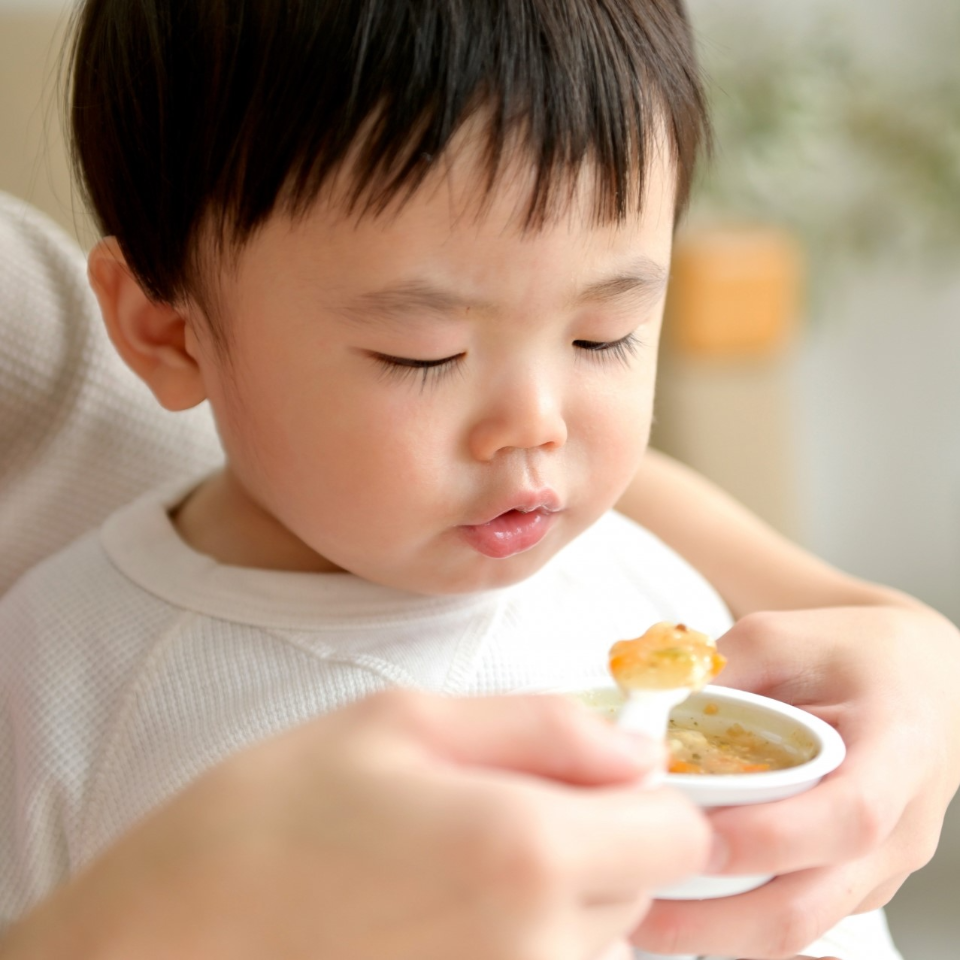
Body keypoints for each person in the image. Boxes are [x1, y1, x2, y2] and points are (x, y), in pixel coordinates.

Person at [0, 2, 957, 959]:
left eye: (605, 336)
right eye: (423, 354)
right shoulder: (75, 683)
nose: (536, 425)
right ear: (168, 332)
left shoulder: (642, 565)